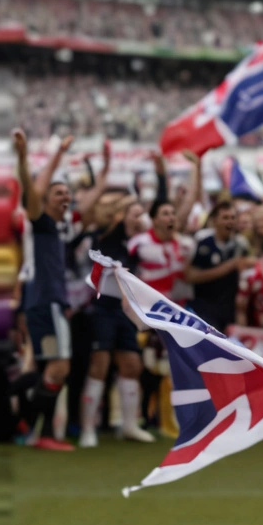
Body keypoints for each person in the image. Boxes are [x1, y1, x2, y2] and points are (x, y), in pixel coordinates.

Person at [77, 151, 168, 448]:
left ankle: (129, 425)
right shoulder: (108, 235)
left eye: (139, 211)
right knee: (99, 365)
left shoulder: (138, 243)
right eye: (132, 210)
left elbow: (158, 211)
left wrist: (160, 176)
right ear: (120, 214)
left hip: (126, 311)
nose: (138, 214)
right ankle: (88, 429)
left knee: (131, 365)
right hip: (102, 309)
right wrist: (102, 172)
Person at [15, 129, 77, 451]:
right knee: (59, 366)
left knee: (46, 366)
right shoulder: (40, 221)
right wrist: (27, 158)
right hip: (47, 302)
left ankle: (27, 425)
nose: (65, 198)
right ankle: (39, 432)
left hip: (45, 303)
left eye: (68, 194)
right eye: (59, 193)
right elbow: (33, 190)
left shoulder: (55, 228)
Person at [185, 200, 255, 331]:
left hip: (230, 308)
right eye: (225, 218)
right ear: (214, 220)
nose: (230, 222)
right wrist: (230, 266)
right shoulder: (202, 240)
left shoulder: (241, 244)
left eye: (233, 218)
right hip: (203, 306)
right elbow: (189, 276)